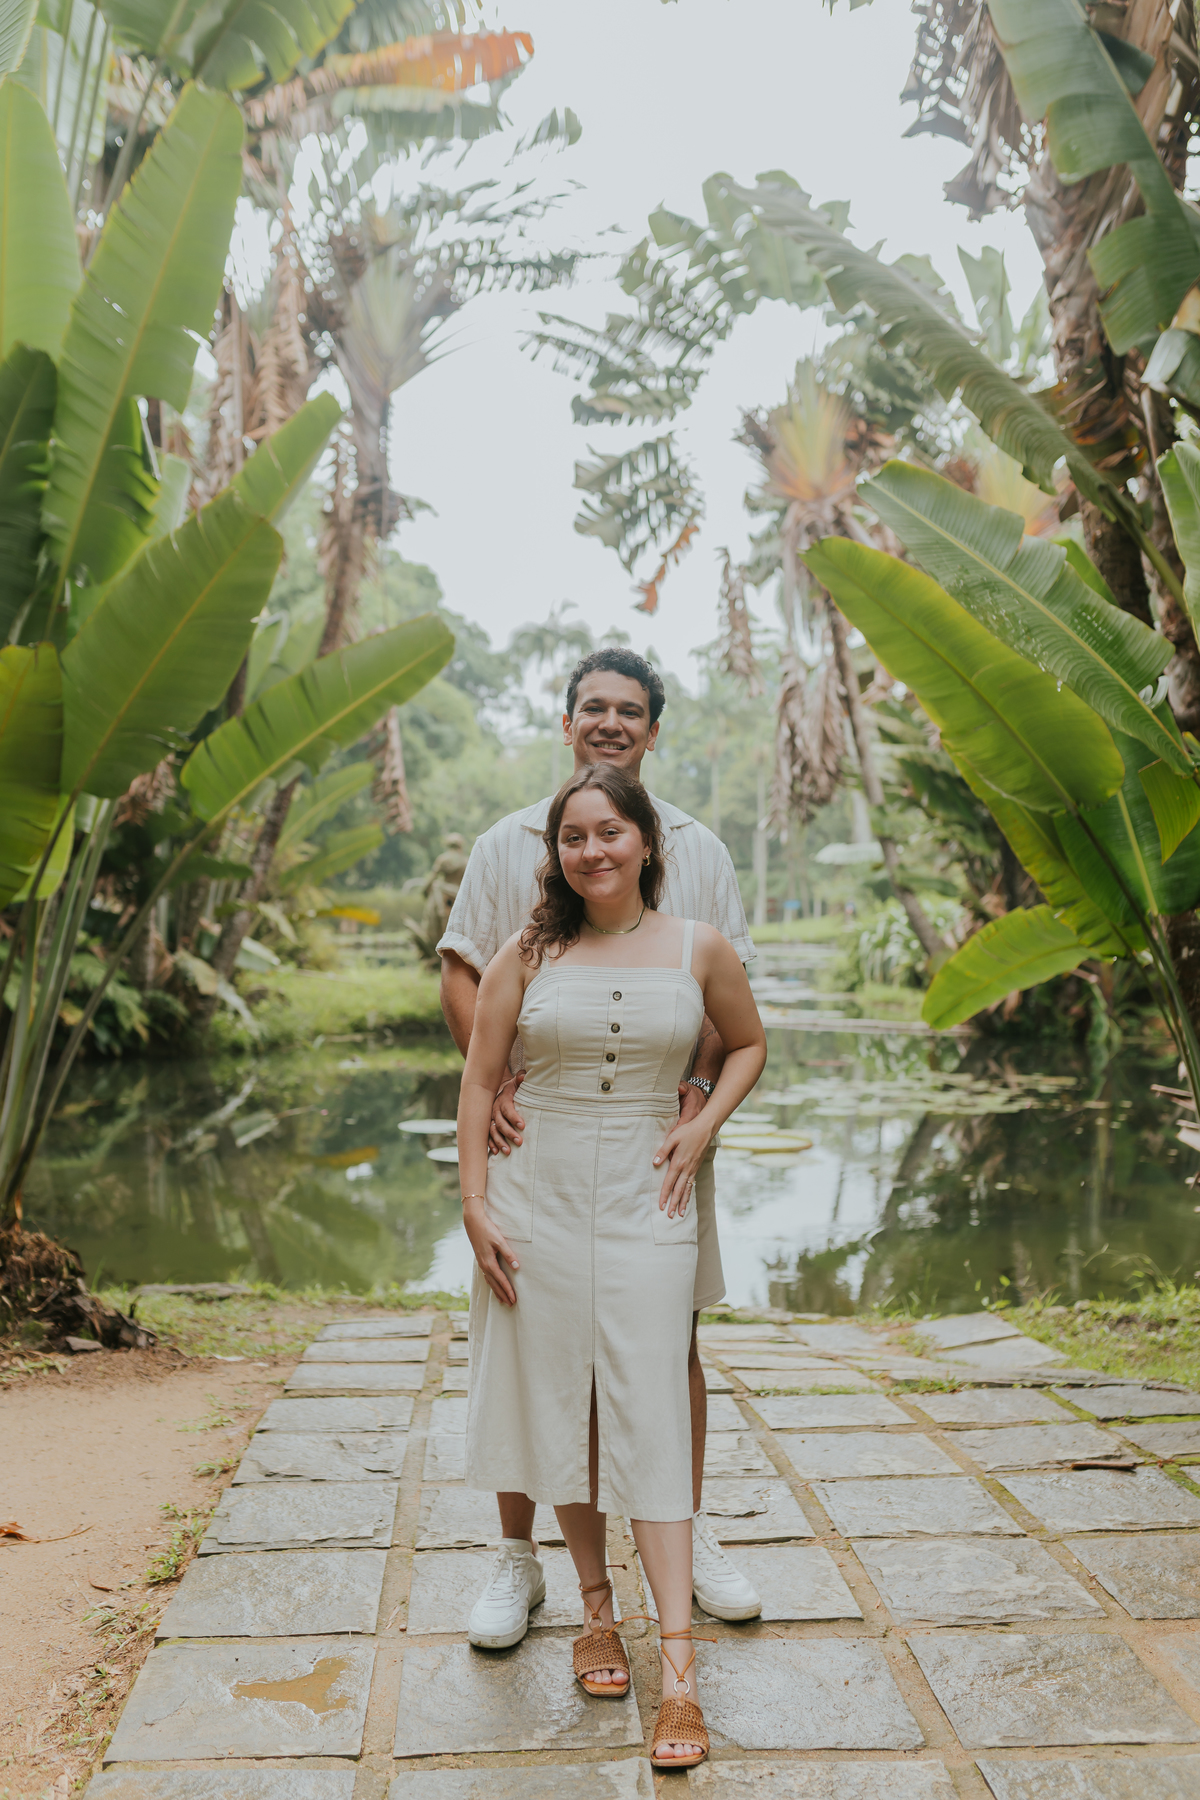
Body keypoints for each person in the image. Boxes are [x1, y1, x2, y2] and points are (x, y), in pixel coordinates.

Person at [438, 647, 765, 1646]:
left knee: (673, 1347)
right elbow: (466, 972)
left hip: (656, 1146)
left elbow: (727, 998)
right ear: (567, 720)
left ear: (655, 730)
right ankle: (516, 1559)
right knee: (531, 1350)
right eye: (593, 707)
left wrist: (698, 1102)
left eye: (631, 709)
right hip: (544, 1136)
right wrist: (490, 1092)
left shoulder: (701, 849)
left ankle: (687, 1530)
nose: (612, 721)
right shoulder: (508, 844)